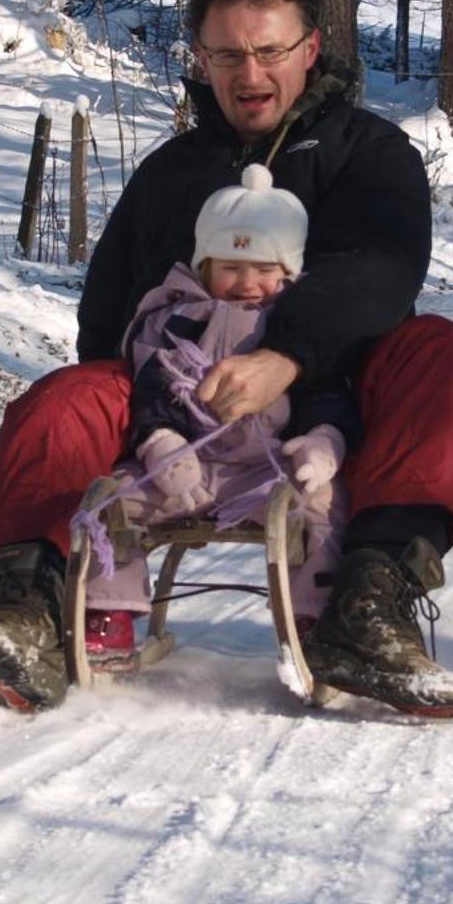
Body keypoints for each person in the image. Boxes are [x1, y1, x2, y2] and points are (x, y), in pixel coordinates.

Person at [0, 0, 453, 718]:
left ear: (310, 50)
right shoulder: (174, 173)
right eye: (228, 54)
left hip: (336, 408)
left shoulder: (369, 155)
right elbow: (109, 313)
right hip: (181, 407)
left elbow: (381, 270)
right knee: (65, 395)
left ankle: (369, 606)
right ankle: (26, 608)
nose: (249, 71)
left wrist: (286, 355)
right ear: (201, 59)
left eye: (269, 50)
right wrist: (148, 410)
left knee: (447, 352)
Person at [77, 164, 357, 667]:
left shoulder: (296, 324)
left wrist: (323, 440)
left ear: (289, 271)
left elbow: (326, 389)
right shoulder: (174, 317)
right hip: (181, 468)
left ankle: (318, 619)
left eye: (265, 270)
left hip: (266, 472)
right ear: (203, 266)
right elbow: (152, 388)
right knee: (110, 500)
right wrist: (159, 440)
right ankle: (107, 613)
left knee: (322, 504)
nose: (248, 283)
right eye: (230, 267)